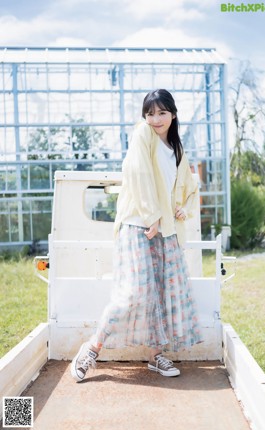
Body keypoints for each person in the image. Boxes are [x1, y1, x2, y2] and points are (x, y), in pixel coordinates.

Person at [71, 89, 202, 382]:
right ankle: (91, 348)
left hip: (164, 229)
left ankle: (155, 355)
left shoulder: (178, 149)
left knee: (162, 293)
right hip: (138, 223)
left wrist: (183, 209)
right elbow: (137, 172)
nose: (155, 119)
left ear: (173, 114)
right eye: (150, 113)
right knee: (134, 292)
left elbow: (191, 186)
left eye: (161, 113)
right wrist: (151, 214)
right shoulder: (143, 134)